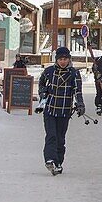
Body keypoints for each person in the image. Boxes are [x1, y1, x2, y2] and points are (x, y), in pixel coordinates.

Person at [36, 47, 85, 176]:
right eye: (60, 59)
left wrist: (80, 103)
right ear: (56, 60)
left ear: (69, 59)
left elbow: (77, 90)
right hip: (50, 109)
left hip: (65, 110)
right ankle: (50, 159)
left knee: (60, 138)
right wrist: (42, 93)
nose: (63, 62)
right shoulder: (49, 72)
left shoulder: (74, 74)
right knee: (51, 135)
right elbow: (41, 84)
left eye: (65, 59)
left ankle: (58, 163)